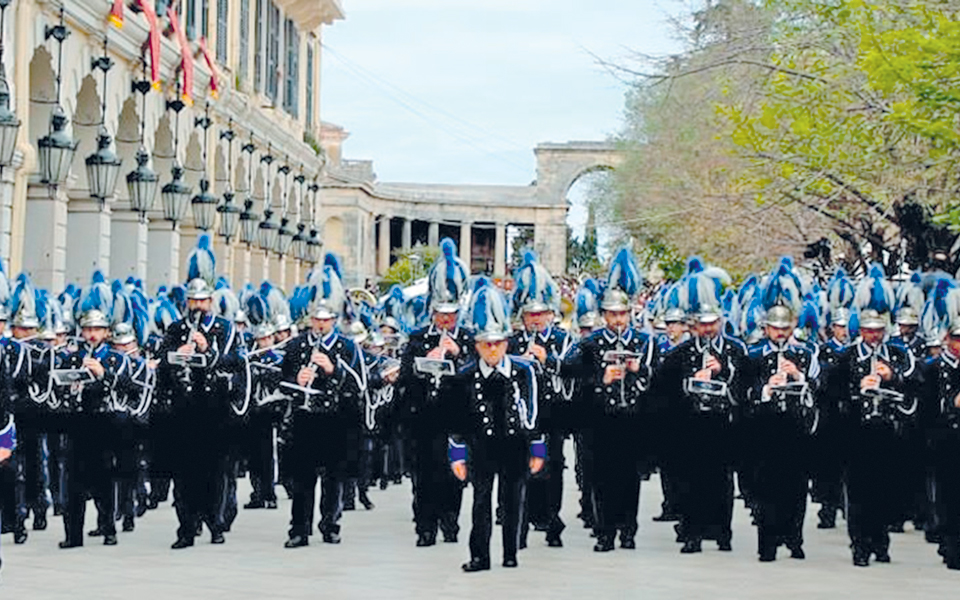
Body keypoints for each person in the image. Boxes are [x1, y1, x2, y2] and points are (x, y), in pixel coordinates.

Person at [156, 235, 246, 549]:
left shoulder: (224, 329)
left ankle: (215, 522)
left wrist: (209, 351)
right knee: (184, 474)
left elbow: (237, 363)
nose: (197, 306)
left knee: (216, 472)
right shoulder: (176, 329)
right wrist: (177, 353)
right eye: (192, 301)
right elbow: (162, 366)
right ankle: (186, 527)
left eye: (202, 301)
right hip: (183, 410)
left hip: (215, 410)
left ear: (211, 302)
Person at [447, 285, 545, 572]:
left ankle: (511, 552)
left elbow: (534, 410)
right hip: (481, 447)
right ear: (476, 345)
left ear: (506, 343)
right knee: (480, 502)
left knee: (514, 501)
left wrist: (537, 447)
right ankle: (480, 555)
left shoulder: (523, 370)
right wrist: (457, 454)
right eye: (486, 344)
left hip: (515, 444)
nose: (492, 349)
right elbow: (457, 419)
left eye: (498, 343)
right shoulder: (465, 375)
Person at [569, 248, 657, 552]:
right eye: (612, 314)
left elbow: (656, 382)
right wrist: (600, 380)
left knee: (629, 479)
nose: (618, 320)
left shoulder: (645, 342)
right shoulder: (591, 344)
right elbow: (573, 378)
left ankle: (628, 530)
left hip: (632, 419)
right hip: (600, 420)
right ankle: (605, 531)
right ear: (604, 315)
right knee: (601, 478)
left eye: (622, 314)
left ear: (630, 313)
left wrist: (639, 369)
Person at [657, 258, 746, 555]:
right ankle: (692, 533)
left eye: (712, 324)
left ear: (720, 322)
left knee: (721, 483)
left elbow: (746, 387)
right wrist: (689, 381)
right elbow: (663, 393)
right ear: (692, 325)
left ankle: (722, 532)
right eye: (702, 325)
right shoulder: (678, 355)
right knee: (689, 482)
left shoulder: (735, 350)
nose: (707, 330)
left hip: (723, 425)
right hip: (689, 426)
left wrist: (723, 372)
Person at [282, 255, 367, 548]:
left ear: (334, 319)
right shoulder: (295, 346)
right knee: (302, 480)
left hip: (335, 421)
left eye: (325, 319)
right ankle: (298, 529)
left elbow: (359, 386)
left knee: (333, 479)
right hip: (305, 420)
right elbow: (282, 383)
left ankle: (330, 525)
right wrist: (298, 380)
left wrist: (333, 369)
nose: (320, 324)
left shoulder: (346, 347)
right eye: (316, 319)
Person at [838, 264, 918, 567]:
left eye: (878, 331)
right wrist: (857, 389)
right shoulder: (847, 357)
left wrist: (892, 376)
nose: (873, 336)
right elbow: (830, 394)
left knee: (886, 491)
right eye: (868, 331)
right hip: (857, 432)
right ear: (861, 330)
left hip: (889, 431)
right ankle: (860, 545)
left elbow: (917, 384)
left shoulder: (898, 353)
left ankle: (881, 542)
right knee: (858, 493)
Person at [743, 259, 821, 562]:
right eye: (774, 328)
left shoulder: (804, 353)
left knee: (796, 488)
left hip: (795, 428)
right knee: (766, 489)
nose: (779, 333)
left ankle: (794, 538)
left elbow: (819, 389)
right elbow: (742, 394)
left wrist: (798, 377)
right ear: (765, 328)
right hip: (764, 428)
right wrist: (766, 389)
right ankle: (768, 542)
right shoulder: (752, 356)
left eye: (784, 328)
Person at [397, 238, 472, 547]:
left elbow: (478, 377)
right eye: (441, 314)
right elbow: (405, 376)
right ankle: (424, 527)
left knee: (454, 476)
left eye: (451, 314)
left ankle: (450, 522)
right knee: (424, 477)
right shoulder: (417, 338)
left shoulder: (468, 339)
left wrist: (457, 355)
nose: (446, 320)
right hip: (424, 419)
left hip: (455, 419)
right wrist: (426, 361)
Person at [56, 286, 135, 548]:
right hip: (77, 422)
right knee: (73, 482)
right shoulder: (73, 357)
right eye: (88, 330)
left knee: (103, 478)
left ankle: (108, 527)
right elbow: (59, 386)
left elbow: (127, 387)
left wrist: (102, 374)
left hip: (103, 422)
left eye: (97, 330)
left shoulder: (114, 359)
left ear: (106, 333)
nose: (91, 334)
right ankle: (72, 535)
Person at [509, 251, 571, 548]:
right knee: (523, 467)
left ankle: (551, 519)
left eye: (540, 314)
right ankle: (523, 520)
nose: (535, 320)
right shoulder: (511, 342)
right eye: (530, 314)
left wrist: (548, 359)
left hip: (553, 413)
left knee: (553, 467)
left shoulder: (562, 340)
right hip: (521, 415)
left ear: (550, 314)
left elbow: (571, 376)